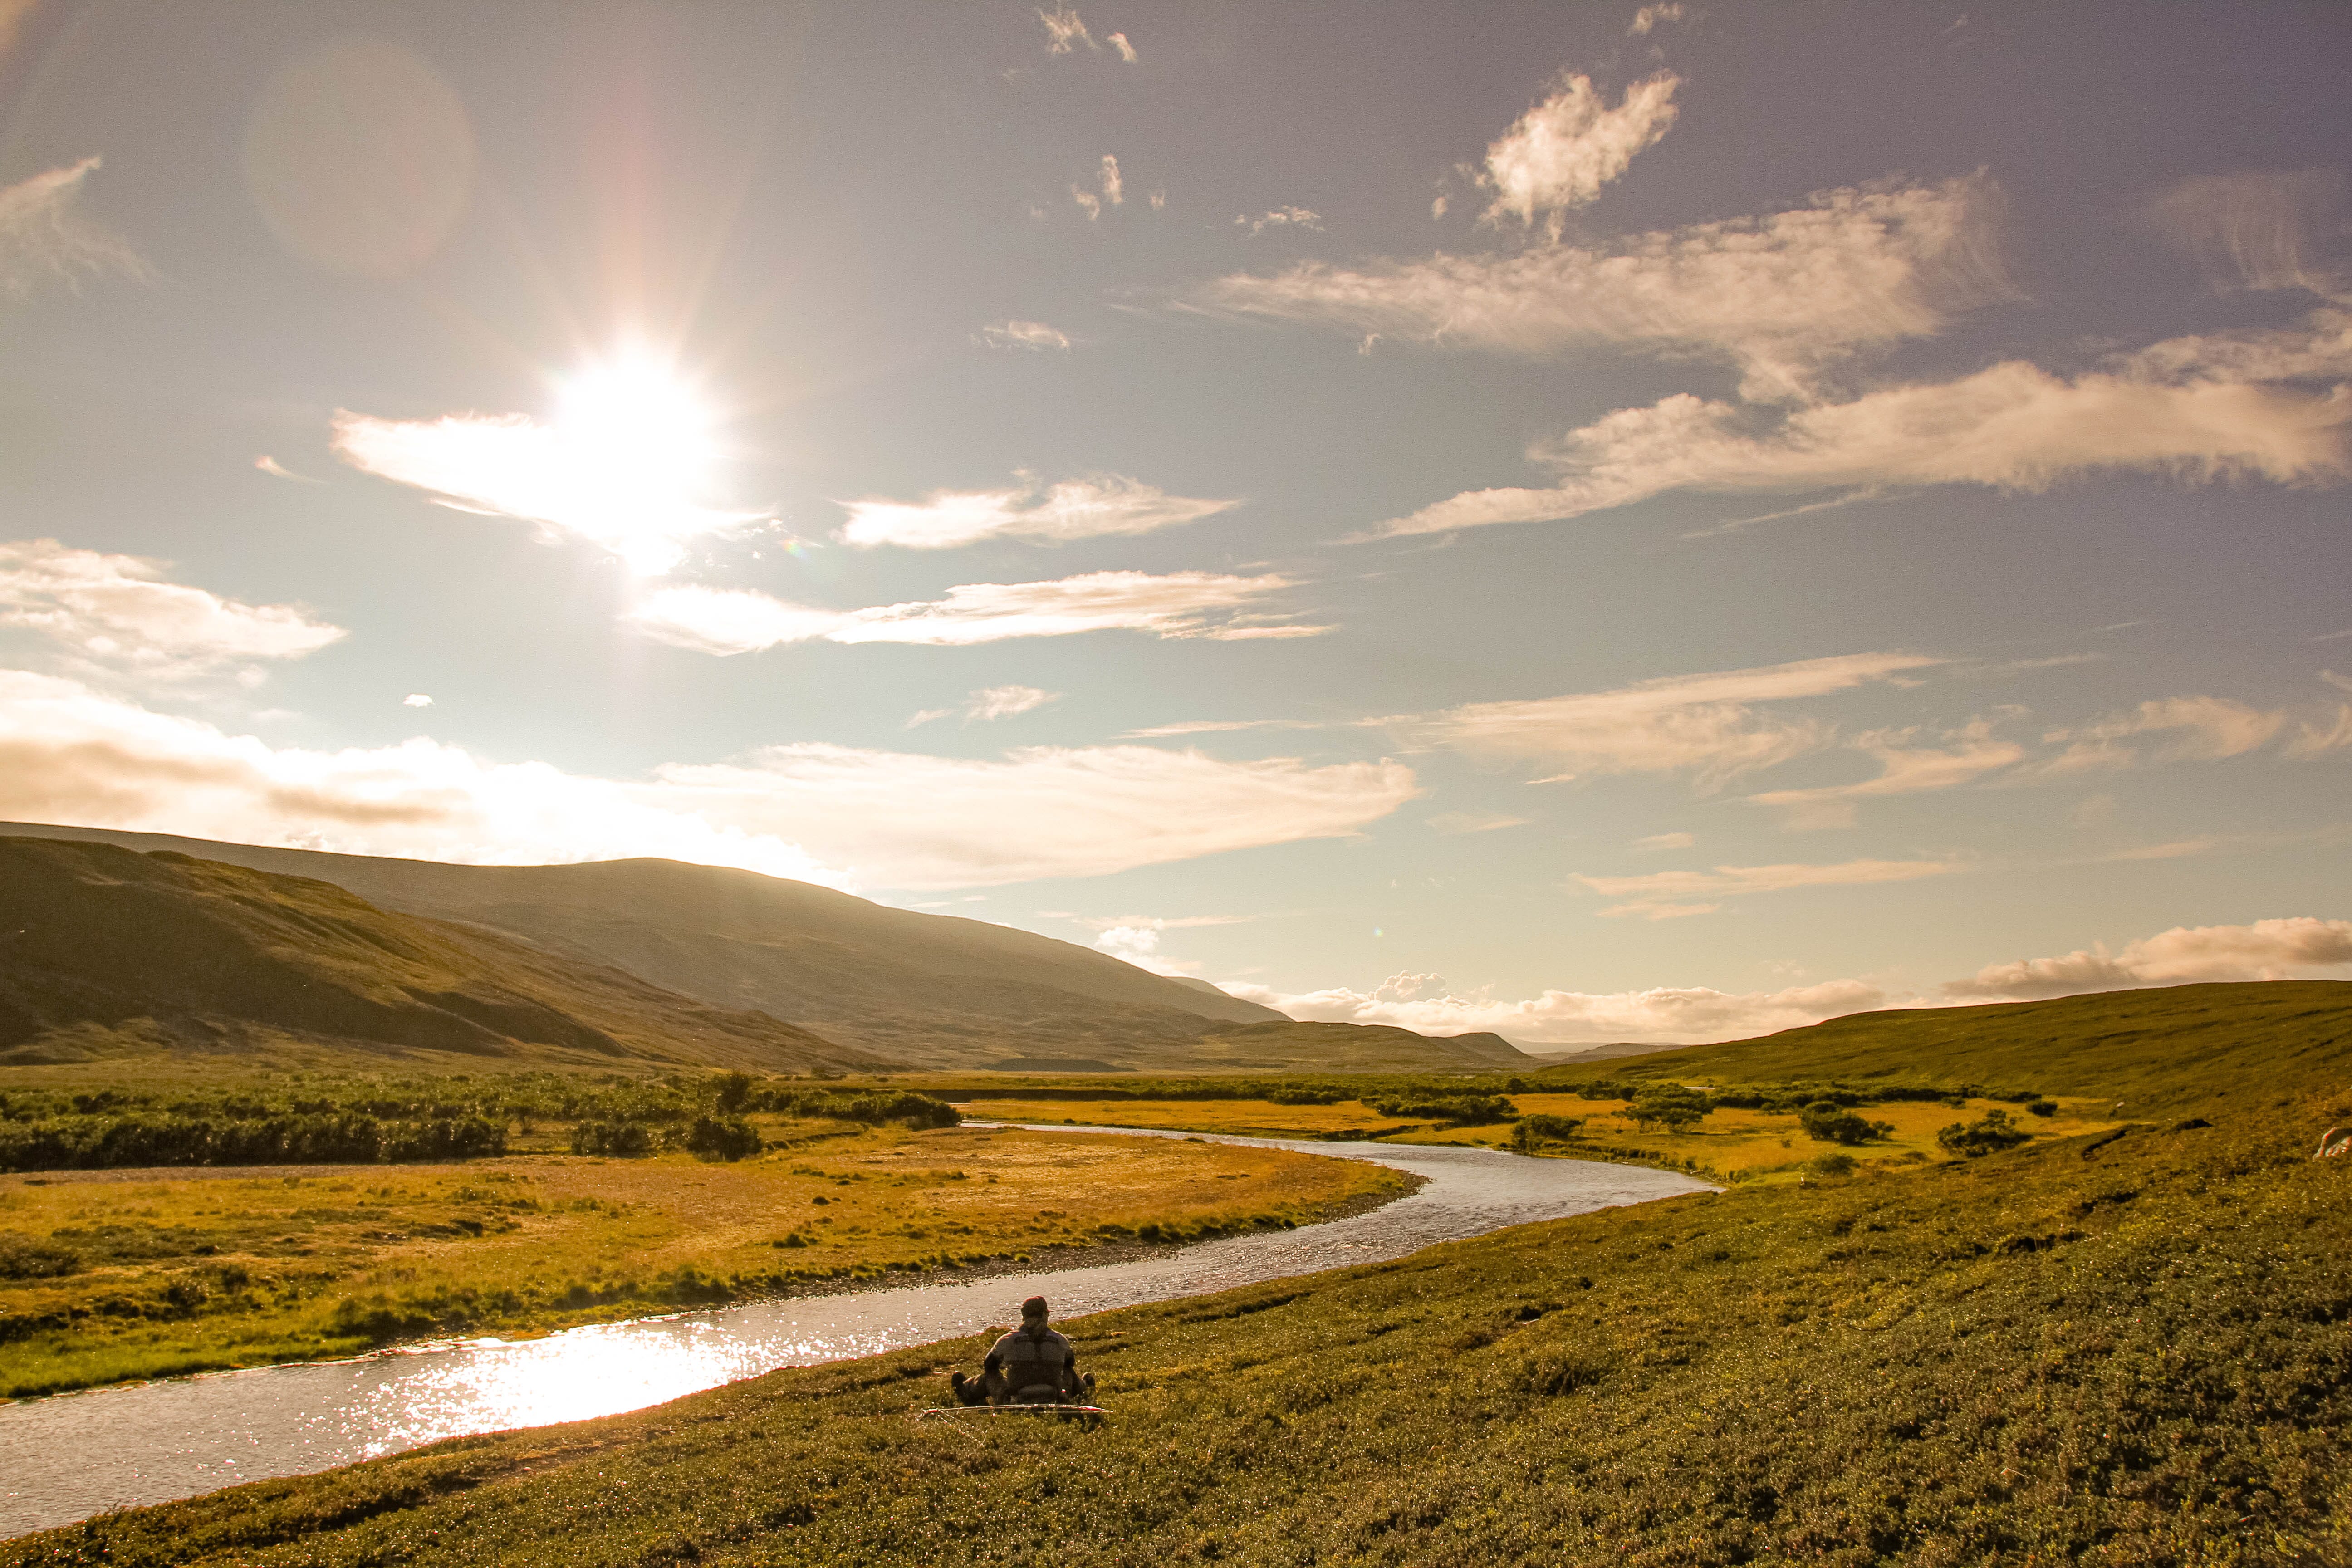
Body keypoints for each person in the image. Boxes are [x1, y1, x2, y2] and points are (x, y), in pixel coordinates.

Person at [981, 1295, 1088, 1405]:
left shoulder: (1008, 1340)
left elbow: (988, 1365)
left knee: (987, 1377)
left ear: (1024, 1315)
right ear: (1044, 1315)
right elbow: (1070, 1364)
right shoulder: (1060, 1340)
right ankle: (1084, 1387)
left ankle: (968, 1391)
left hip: (1018, 1397)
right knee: (1069, 1372)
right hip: (1052, 1394)